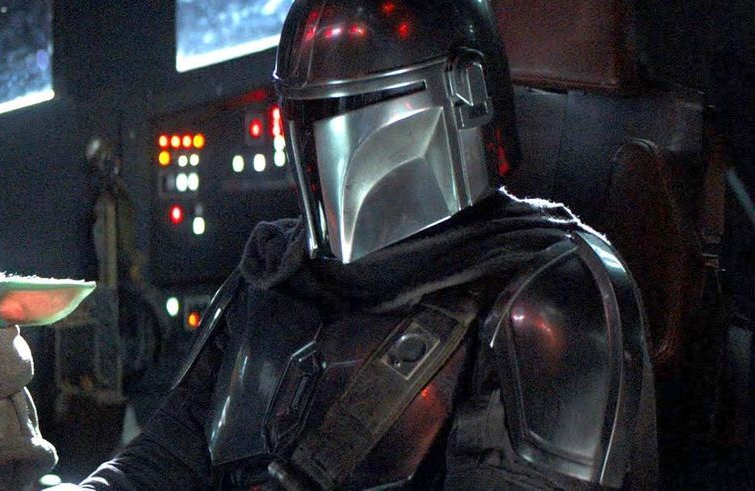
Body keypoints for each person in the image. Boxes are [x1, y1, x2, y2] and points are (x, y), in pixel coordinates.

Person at [65, 0, 657, 488]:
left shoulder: (550, 299)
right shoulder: (275, 270)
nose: (322, 143)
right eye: (309, 114)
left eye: (352, 108)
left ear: (463, 95)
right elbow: (169, 452)